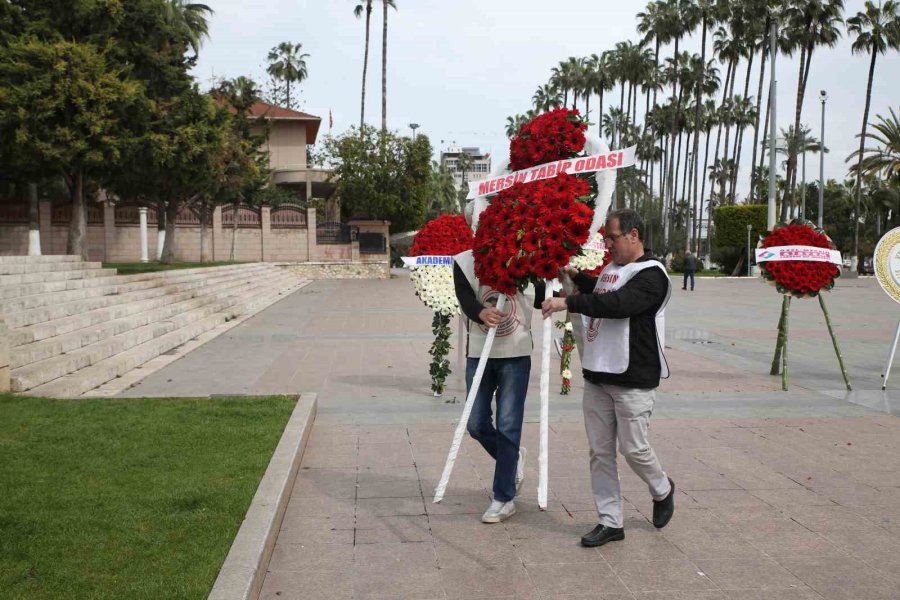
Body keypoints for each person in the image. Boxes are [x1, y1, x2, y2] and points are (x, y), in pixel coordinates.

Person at [542, 208, 675, 547]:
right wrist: (578, 277)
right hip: (598, 375)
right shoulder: (612, 270)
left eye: (613, 238)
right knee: (600, 452)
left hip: (633, 379)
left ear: (634, 235)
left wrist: (569, 303)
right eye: (606, 240)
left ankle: (662, 488)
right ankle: (610, 521)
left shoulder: (652, 275)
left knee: (634, 449)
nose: (608, 245)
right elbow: (603, 291)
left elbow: (618, 304)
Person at [453, 202, 545, 524]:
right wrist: (480, 312)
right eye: (478, 223)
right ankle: (512, 457)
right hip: (479, 351)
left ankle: (503, 497)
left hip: (514, 351)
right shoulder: (463, 261)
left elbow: (539, 295)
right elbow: (465, 297)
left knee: (508, 424)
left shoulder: (522, 255)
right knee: (476, 423)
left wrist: (547, 271)